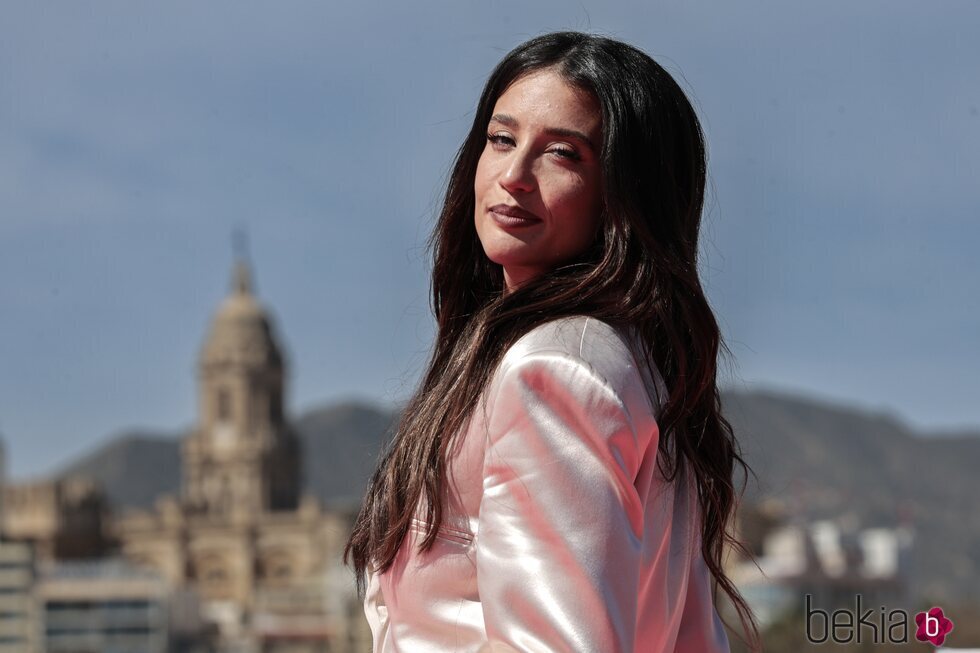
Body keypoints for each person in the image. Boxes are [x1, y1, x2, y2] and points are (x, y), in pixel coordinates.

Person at [344, 31, 761, 653]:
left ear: (626, 193)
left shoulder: (556, 370)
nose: (514, 176)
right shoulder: (631, 364)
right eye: (501, 139)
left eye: (563, 155)